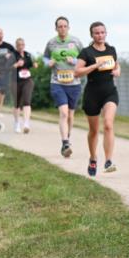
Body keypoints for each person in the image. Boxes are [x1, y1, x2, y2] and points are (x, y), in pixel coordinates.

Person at [74, 22, 120, 176]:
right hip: (92, 94)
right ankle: (93, 158)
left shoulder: (111, 49)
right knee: (94, 131)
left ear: (106, 33)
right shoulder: (86, 52)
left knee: (108, 124)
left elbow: (116, 65)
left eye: (102, 32)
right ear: (92, 35)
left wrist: (118, 70)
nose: (100, 35)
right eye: (97, 33)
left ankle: (108, 161)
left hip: (109, 92)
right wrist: (94, 65)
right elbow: (77, 72)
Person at [44, 16, 84, 157]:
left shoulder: (76, 42)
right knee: (64, 113)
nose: (62, 28)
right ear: (56, 28)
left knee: (71, 116)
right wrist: (47, 63)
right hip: (57, 82)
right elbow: (45, 57)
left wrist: (74, 60)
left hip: (74, 83)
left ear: (68, 27)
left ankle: (67, 137)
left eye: (64, 26)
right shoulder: (51, 43)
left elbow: (84, 60)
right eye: (59, 26)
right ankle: (65, 142)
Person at [12, 38, 37, 133]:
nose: (21, 46)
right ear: (16, 45)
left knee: (27, 101)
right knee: (17, 103)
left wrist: (34, 65)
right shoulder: (12, 55)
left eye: (22, 44)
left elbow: (31, 64)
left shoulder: (27, 54)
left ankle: (26, 123)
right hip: (15, 81)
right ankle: (17, 123)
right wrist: (16, 65)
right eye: (19, 45)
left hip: (27, 80)